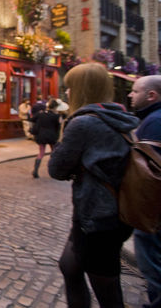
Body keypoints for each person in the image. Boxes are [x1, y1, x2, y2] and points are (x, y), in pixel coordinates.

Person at [48, 63, 138, 307]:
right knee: (69, 265)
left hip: (99, 216)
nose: (66, 93)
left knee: (106, 286)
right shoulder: (121, 117)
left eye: (69, 88)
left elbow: (56, 169)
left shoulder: (83, 123)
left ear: (81, 89)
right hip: (111, 210)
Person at [128, 75, 161, 308]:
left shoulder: (154, 122)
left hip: (153, 208)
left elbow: (149, 171)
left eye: (135, 91)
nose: (130, 94)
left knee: (151, 258)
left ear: (152, 95)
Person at [30, 98, 60, 178]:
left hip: (41, 135)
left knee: (41, 153)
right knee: (53, 152)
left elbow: (32, 119)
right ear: (55, 107)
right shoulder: (56, 116)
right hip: (52, 136)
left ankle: (35, 170)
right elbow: (58, 127)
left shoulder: (41, 113)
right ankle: (53, 170)